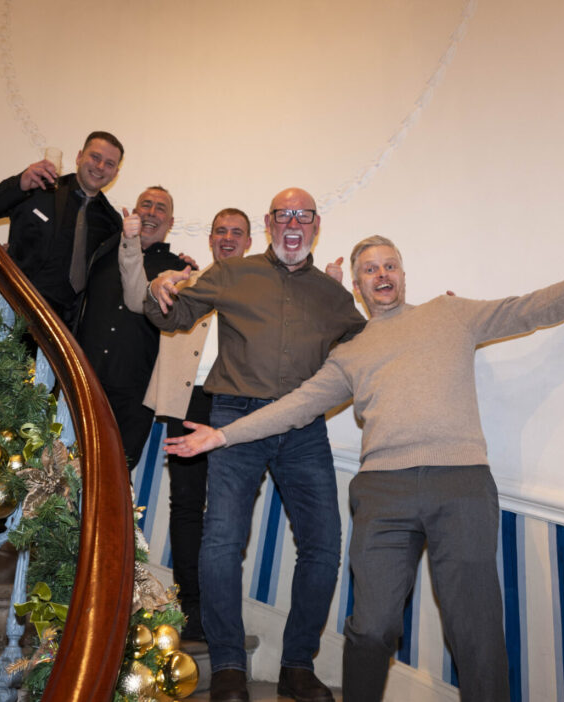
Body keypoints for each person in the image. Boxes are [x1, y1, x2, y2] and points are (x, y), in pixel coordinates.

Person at [164, 223, 564, 701]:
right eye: (370, 269)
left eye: (390, 265)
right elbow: (294, 407)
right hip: (381, 494)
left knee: (474, 628)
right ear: (358, 288)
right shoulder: (350, 353)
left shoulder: (450, 314)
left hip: (461, 485)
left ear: (404, 274)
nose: (381, 275)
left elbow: (533, 307)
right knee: (370, 628)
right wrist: (222, 435)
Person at [144, 188, 366, 702]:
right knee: (222, 542)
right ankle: (227, 666)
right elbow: (173, 316)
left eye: (303, 216)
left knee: (324, 546)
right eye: (284, 215)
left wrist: (416, 322)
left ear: (315, 226)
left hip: (303, 426)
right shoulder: (232, 272)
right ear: (269, 223)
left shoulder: (333, 296)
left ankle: (297, 666)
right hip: (234, 418)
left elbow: (368, 349)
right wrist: (157, 287)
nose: (293, 224)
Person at [119, 207, 254, 642]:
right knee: (186, 503)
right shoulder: (183, 282)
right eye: (221, 231)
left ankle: (220, 607)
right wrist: (157, 280)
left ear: (249, 242)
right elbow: (141, 300)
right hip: (188, 400)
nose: (228, 238)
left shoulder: (259, 290)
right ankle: (191, 606)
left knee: (230, 509)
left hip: (238, 405)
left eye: (237, 232)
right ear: (211, 239)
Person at [76, 186, 187, 468]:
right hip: (81, 380)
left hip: (134, 395)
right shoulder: (102, 252)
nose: (151, 213)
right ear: (134, 212)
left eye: (161, 208)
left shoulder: (179, 272)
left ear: (171, 222)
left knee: (117, 472)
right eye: (146, 205)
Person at [0, 131, 124, 329]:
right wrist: (19, 183)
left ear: (115, 173)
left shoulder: (112, 223)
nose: (100, 166)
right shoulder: (38, 185)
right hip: (11, 307)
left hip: (62, 328)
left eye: (109, 164)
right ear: (79, 157)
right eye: (95, 157)